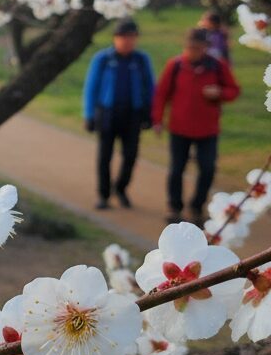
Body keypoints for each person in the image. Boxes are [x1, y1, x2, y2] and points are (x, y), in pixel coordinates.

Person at [152, 27, 241, 225]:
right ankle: (175, 207)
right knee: (176, 169)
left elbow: (234, 90)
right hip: (179, 128)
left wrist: (219, 92)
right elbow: (161, 94)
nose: (192, 52)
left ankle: (197, 206)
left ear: (205, 48)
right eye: (189, 47)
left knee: (207, 169)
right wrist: (157, 120)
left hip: (207, 129)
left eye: (197, 48)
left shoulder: (217, 66)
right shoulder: (175, 66)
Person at [82, 19, 155, 210]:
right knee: (104, 156)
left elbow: (150, 87)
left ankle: (121, 188)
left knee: (130, 155)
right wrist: (89, 115)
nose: (127, 42)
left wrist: (150, 113)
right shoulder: (103, 59)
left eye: (131, 37)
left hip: (133, 113)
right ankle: (104, 194)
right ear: (115, 38)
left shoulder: (140, 60)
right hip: (107, 113)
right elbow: (91, 87)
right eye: (123, 37)